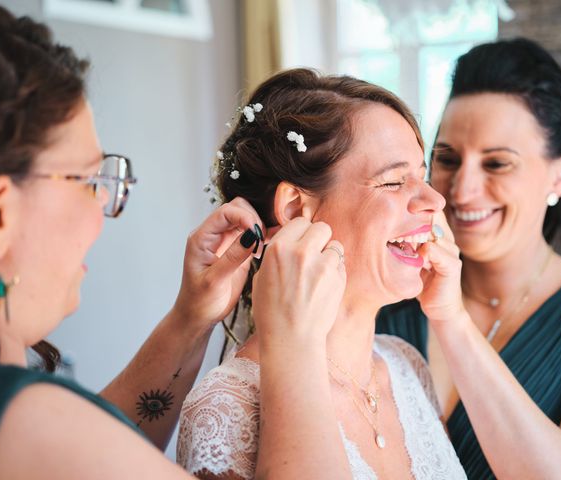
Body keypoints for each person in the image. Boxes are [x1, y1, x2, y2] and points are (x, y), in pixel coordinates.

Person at [0, 3, 353, 479]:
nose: (103, 211)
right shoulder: (21, 422)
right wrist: (295, 347)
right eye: (89, 181)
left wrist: (191, 318)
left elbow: (99, 445)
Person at [176, 68, 468, 480]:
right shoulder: (227, 407)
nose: (436, 200)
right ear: (296, 209)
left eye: (422, 177)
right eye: (393, 181)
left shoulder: (406, 366)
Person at [377, 38, 561, 479]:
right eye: (446, 159)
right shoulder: (386, 290)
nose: (461, 191)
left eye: (497, 164)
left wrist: (451, 320)